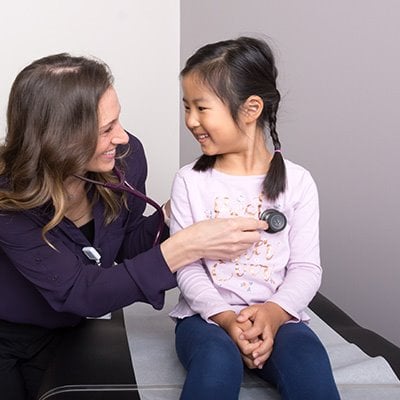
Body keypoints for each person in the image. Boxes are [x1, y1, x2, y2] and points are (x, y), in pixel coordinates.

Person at [0, 53, 267, 400]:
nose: (122, 137)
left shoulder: (125, 159)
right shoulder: (8, 200)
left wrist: (173, 216)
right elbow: (78, 291)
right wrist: (184, 247)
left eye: (118, 121)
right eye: (106, 129)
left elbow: (123, 244)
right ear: (58, 139)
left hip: (69, 332)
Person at [169, 37, 341, 400]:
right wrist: (226, 318)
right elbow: (187, 268)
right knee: (216, 363)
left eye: (201, 108)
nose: (191, 120)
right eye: (186, 108)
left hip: (279, 317)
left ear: (251, 109)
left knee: (310, 366)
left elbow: (306, 267)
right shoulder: (190, 181)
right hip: (206, 320)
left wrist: (275, 313)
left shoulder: (298, 182)